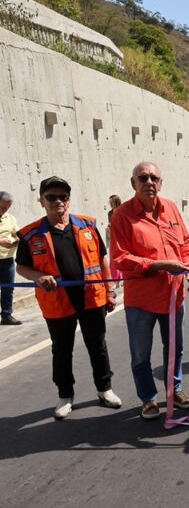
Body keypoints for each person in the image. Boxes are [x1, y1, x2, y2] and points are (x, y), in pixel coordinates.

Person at [15, 177, 121, 419]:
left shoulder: (88, 225)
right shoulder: (31, 235)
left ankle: (105, 389)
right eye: (51, 197)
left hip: (91, 299)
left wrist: (110, 291)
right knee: (61, 350)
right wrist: (38, 276)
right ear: (42, 201)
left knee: (98, 346)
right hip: (56, 302)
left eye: (63, 196)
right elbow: (21, 267)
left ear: (69, 200)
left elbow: (103, 259)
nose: (58, 201)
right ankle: (65, 396)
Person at [110, 161, 189, 420]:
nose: (149, 182)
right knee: (141, 353)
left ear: (161, 183)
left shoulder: (170, 208)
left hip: (174, 296)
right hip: (141, 300)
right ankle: (148, 399)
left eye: (154, 178)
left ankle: (175, 390)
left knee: (175, 348)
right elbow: (120, 257)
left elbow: (184, 241)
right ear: (133, 183)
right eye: (143, 178)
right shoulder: (123, 215)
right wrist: (159, 265)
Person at [0, 191, 21, 325]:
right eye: (2, 208)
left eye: (7, 208)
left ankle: (7, 315)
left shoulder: (10, 218)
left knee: (8, 288)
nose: (4, 211)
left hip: (7, 259)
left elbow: (16, 233)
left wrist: (17, 240)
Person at [106, 195, 123, 286]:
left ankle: (123, 277)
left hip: (122, 237)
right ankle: (116, 278)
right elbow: (110, 224)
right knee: (113, 257)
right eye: (109, 202)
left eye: (111, 202)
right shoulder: (109, 213)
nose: (110, 204)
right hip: (114, 236)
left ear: (116, 201)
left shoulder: (122, 210)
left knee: (122, 256)